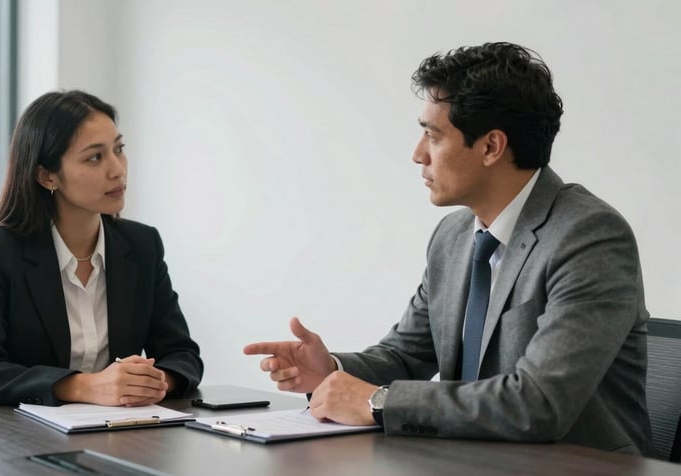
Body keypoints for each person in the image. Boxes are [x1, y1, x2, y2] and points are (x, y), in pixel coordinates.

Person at [244, 42, 653, 456]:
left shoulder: (589, 236)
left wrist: (377, 402)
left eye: (432, 135)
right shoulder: (453, 237)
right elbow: (406, 356)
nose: (417, 154)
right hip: (471, 461)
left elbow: (539, 402)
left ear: (491, 147)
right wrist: (332, 370)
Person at [0, 90, 203, 406]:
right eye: (95, 157)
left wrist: (152, 382)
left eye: (119, 149)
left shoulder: (141, 246)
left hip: (122, 433)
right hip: (24, 441)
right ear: (47, 175)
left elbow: (182, 354)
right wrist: (84, 387)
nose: (118, 169)